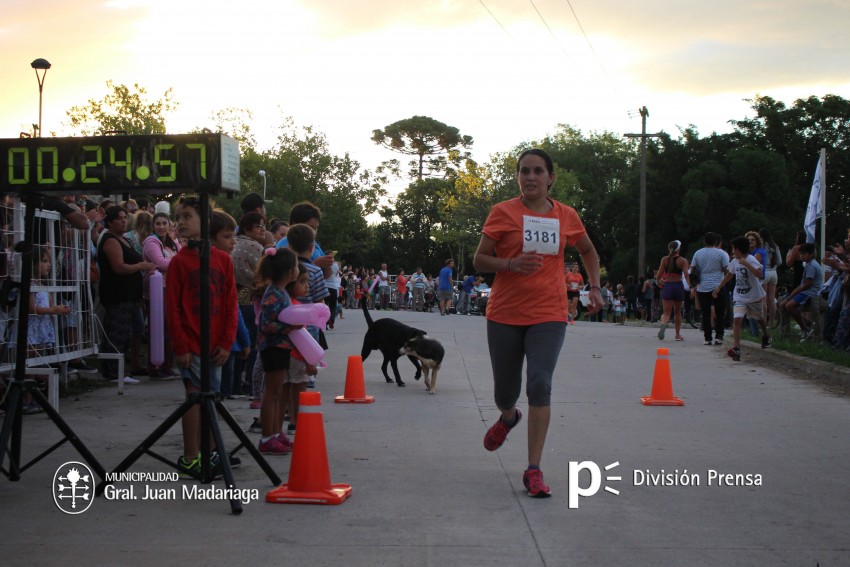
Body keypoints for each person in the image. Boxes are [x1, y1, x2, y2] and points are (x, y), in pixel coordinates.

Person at [473, 148, 603, 498]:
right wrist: (511, 265)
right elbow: (480, 259)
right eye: (524, 171)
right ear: (518, 177)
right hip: (504, 314)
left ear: (550, 178)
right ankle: (507, 416)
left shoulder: (567, 216)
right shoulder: (503, 212)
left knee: (540, 384)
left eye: (537, 171)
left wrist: (594, 286)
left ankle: (534, 469)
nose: (530, 177)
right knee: (506, 392)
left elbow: (588, 250)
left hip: (549, 313)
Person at [166, 196, 238, 475]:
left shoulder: (223, 261)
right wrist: (181, 346)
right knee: (194, 398)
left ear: (204, 221)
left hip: (216, 346)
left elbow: (232, 303)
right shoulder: (178, 263)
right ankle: (190, 456)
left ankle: (211, 454)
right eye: (179, 217)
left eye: (187, 217)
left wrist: (226, 342)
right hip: (191, 343)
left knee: (213, 400)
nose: (181, 222)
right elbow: (172, 309)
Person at [97, 206, 155, 383]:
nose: (124, 221)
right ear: (110, 221)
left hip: (131, 296)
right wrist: (141, 266)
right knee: (116, 332)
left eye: (125, 218)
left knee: (130, 331)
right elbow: (119, 267)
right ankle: (113, 372)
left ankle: (123, 368)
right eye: (119, 218)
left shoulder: (123, 239)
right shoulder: (110, 240)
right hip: (118, 295)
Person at [255, 247, 299, 455]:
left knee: (277, 391)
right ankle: (267, 437)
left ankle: (275, 432)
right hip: (272, 348)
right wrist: (291, 327)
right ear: (290, 272)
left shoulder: (281, 292)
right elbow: (267, 325)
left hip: (281, 348)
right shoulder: (274, 294)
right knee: (271, 393)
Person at [209, 210, 251, 399]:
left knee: (215, 388)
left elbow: (233, 308)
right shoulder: (219, 264)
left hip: (224, 341)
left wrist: (242, 340)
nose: (233, 241)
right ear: (210, 238)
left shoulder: (226, 262)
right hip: (208, 341)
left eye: (233, 235)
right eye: (227, 236)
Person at [713, 236, 771, 360]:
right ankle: (736, 347)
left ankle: (766, 335)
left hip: (754, 296)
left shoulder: (751, 259)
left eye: (734, 249)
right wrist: (719, 287)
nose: (732, 252)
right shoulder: (734, 261)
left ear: (739, 250)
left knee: (759, 319)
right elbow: (729, 274)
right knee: (737, 320)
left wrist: (747, 264)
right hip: (739, 296)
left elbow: (760, 274)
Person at [232, 211, 266, 409]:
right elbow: (260, 275)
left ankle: (233, 385)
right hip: (250, 295)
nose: (263, 230)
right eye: (259, 227)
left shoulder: (234, 243)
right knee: (253, 343)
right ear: (247, 229)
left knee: (237, 343)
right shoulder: (255, 247)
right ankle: (253, 387)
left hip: (235, 295)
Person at [142, 211, 181, 378]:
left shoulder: (172, 243)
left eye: (164, 223)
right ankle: (156, 367)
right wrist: (179, 263)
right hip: (158, 291)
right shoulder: (151, 243)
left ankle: (167, 366)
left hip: (171, 288)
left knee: (169, 328)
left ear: (169, 225)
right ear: (153, 226)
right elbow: (161, 263)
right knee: (158, 328)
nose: (161, 227)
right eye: (158, 224)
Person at [690, 232, 730, 345]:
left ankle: (707, 338)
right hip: (718, 286)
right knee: (720, 313)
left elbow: (692, 269)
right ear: (716, 242)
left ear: (704, 241)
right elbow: (727, 270)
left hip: (703, 287)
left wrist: (693, 285)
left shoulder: (698, 253)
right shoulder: (722, 253)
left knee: (705, 313)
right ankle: (719, 336)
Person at [780, 242, 823, 342]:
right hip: (806, 291)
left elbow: (808, 284)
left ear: (811, 254)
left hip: (811, 292)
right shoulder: (808, 264)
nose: (801, 256)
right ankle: (807, 324)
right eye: (800, 254)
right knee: (784, 304)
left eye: (804, 254)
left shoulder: (811, 265)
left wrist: (793, 295)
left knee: (789, 306)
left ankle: (805, 329)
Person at [655, 240, 689, 341]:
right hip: (678, 286)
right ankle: (677, 335)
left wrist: (658, 281)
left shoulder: (664, 259)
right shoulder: (683, 260)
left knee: (666, 312)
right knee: (677, 311)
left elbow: (659, 275)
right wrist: (690, 286)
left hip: (668, 286)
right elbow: (686, 275)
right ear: (679, 249)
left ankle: (664, 324)